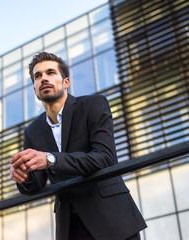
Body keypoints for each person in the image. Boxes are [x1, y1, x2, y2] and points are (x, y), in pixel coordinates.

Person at [10, 52, 146, 240]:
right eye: (38, 76)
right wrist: (22, 176)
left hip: (111, 217)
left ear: (66, 82)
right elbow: (36, 184)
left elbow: (105, 158)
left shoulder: (93, 105)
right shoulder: (32, 131)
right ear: (34, 89)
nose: (44, 79)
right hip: (70, 225)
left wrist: (50, 159)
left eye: (51, 72)